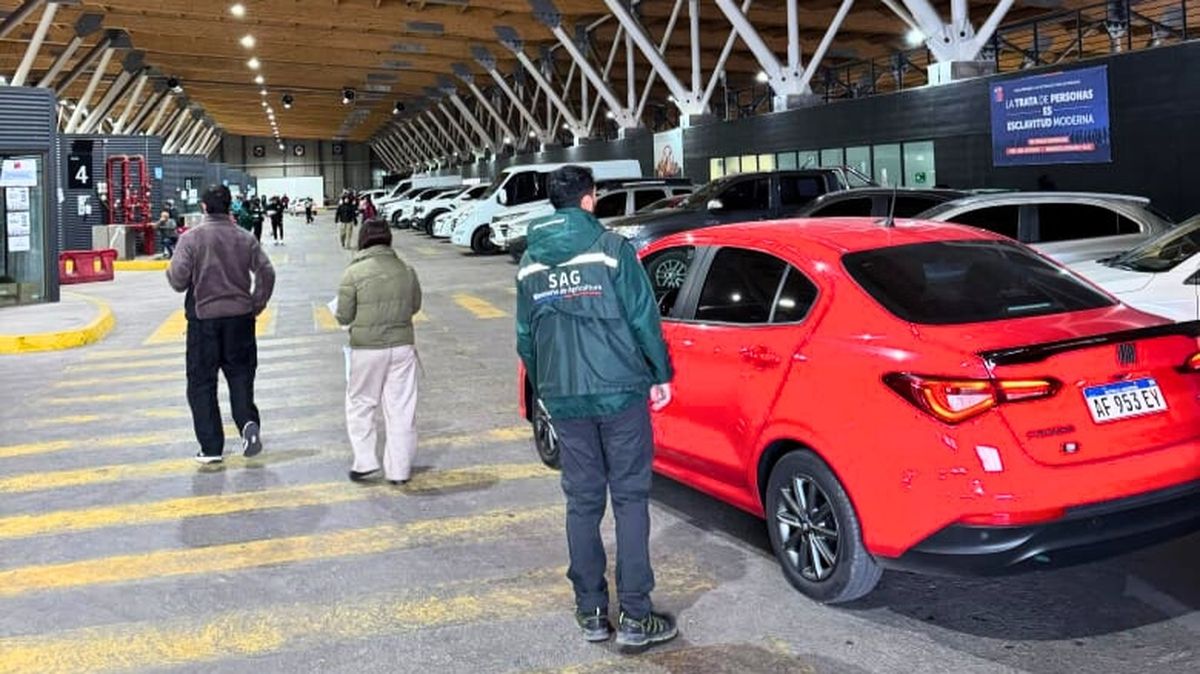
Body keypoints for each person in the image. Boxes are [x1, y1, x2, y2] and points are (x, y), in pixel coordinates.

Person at [515, 165, 676, 652]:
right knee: (629, 498)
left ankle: (591, 611)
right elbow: (643, 316)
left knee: (582, 502)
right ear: (589, 199)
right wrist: (661, 373)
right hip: (621, 391)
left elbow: (525, 337)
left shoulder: (530, 262)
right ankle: (636, 616)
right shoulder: (611, 249)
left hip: (565, 397)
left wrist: (546, 389)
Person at [166, 185, 275, 465]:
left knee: (202, 384)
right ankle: (248, 423)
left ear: (204, 207)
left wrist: (173, 268)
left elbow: (178, 281)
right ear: (230, 206)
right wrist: (256, 304)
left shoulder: (191, 239)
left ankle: (211, 447)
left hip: (204, 323)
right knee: (241, 378)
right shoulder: (245, 238)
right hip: (241, 321)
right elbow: (266, 271)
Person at [336, 219, 422, 485]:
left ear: (363, 239)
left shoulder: (353, 273)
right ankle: (399, 471)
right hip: (402, 347)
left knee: (361, 404)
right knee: (401, 409)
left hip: (366, 349)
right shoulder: (406, 270)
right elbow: (415, 306)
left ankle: (365, 462)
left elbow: (343, 315)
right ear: (388, 239)